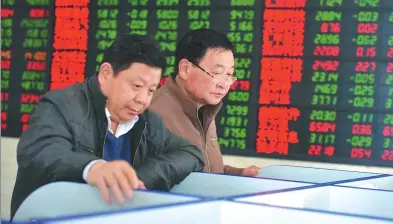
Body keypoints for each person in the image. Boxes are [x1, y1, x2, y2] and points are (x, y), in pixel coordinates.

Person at [11, 34, 204, 218]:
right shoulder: (61, 105)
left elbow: (191, 154)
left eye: (151, 90)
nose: (143, 100)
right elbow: (40, 152)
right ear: (106, 74)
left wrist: (141, 177)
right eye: (136, 86)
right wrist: (92, 168)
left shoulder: (148, 123)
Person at [149, 28, 260, 176]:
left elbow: (204, 170)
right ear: (185, 69)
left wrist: (238, 174)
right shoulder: (152, 113)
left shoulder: (204, 108)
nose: (224, 84)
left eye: (229, 75)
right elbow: (149, 179)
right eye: (217, 73)